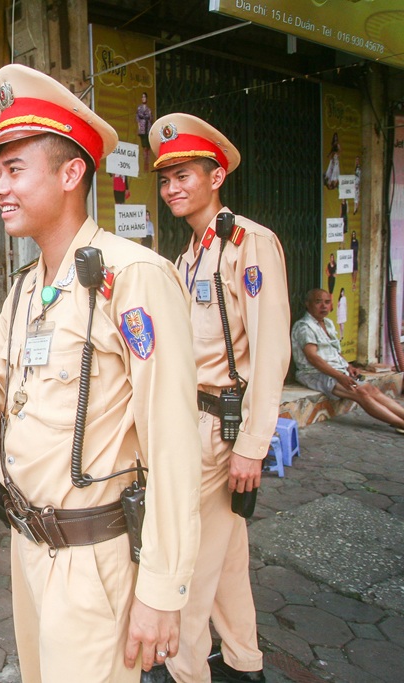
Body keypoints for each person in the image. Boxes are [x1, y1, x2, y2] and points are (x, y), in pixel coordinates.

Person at [0, 64, 201, 683]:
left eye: (15, 169)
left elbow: (174, 444)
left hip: (95, 560)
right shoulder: (26, 288)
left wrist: (162, 590)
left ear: (72, 173)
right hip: (29, 547)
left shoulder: (132, 278)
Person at [150, 113, 291, 683]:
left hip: (222, 431)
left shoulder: (246, 245)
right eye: (165, 179)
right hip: (195, 426)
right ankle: (243, 663)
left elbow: (272, 348)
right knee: (227, 563)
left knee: (185, 569)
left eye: (184, 174)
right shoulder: (188, 258)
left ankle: (184, 673)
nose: (172, 189)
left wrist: (254, 444)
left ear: (217, 176)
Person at [292, 289, 404, 433]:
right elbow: (313, 358)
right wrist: (339, 376)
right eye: (318, 302)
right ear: (308, 304)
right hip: (313, 373)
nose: (324, 306)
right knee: (360, 393)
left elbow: (335, 351)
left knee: (371, 389)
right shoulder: (304, 327)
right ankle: (400, 423)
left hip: (337, 371)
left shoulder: (328, 323)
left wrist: (348, 366)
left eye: (327, 302)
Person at [137, 92, 154, 172]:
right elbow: (138, 117)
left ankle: (147, 162)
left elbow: (151, 118)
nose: (143, 98)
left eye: (145, 97)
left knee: (148, 147)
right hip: (142, 129)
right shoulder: (139, 108)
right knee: (144, 146)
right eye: (142, 97)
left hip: (148, 129)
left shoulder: (149, 109)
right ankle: (144, 162)